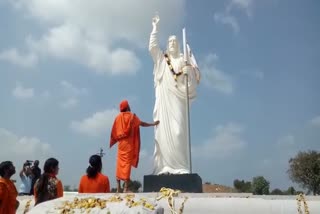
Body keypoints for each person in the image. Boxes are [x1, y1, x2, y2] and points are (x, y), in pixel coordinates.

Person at [149, 14, 200, 175]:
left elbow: (191, 86)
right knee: (163, 133)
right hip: (164, 101)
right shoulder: (162, 60)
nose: (171, 44)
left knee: (178, 132)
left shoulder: (183, 61)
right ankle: (165, 166)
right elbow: (153, 47)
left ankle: (180, 166)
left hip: (178, 101)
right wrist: (155, 28)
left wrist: (188, 73)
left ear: (178, 45)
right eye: (169, 42)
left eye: (174, 42)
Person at [110, 100, 159, 192]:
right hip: (128, 145)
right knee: (127, 165)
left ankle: (118, 187)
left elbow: (114, 131)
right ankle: (125, 188)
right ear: (127, 107)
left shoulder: (117, 118)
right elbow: (142, 124)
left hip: (121, 145)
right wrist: (153, 124)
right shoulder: (132, 117)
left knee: (119, 165)